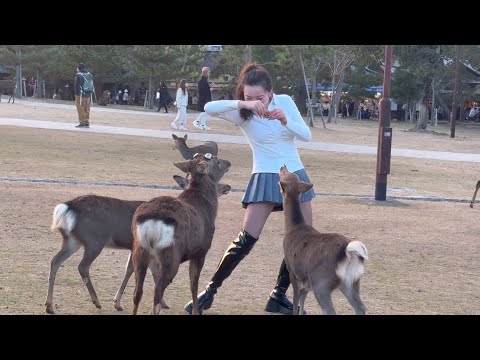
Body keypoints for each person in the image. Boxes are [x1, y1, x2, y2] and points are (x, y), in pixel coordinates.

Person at [184, 63, 315, 315]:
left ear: (271, 93)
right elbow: (208, 107)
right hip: (265, 174)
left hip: (294, 175)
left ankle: (278, 296)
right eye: (248, 96)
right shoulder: (240, 112)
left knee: (302, 239)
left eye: (260, 98)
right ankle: (208, 293)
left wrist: (286, 120)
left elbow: (306, 135)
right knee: (246, 238)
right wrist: (243, 105)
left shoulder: (285, 101)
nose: (256, 102)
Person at [74, 63, 94, 128]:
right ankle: (86, 122)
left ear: (78, 68)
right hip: (88, 94)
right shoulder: (89, 74)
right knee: (87, 108)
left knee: (80, 108)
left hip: (80, 95)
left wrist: (76, 94)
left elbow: (76, 86)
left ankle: (82, 122)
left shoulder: (79, 75)